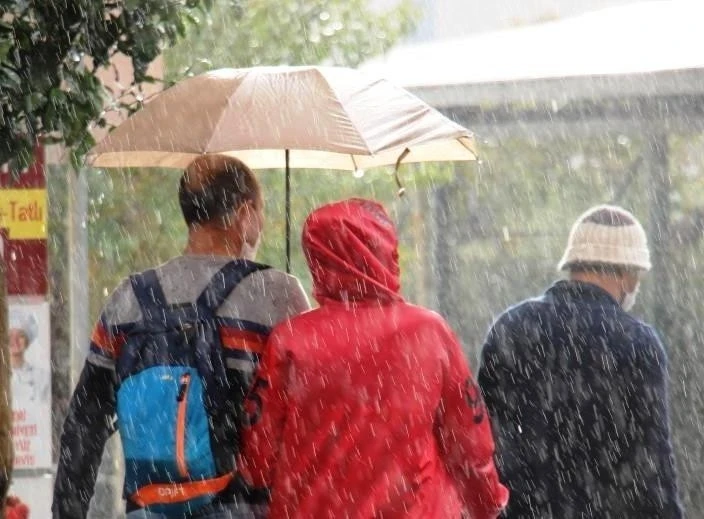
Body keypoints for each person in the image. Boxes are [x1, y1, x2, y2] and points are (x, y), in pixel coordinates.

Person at [53, 155, 310, 519]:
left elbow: (85, 421)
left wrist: (68, 511)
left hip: (149, 508)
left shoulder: (129, 299)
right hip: (243, 508)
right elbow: (310, 413)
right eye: (260, 213)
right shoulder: (277, 293)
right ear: (245, 214)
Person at [240, 198, 508, 519]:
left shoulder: (289, 340)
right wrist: (487, 503)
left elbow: (258, 459)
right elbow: (470, 443)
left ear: (316, 259)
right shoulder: (429, 332)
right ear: (386, 251)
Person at [478, 205, 683, 518]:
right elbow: (653, 466)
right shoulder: (638, 344)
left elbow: (481, 442)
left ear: (572, 264)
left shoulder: (510, 327)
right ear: (627, 275)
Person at [9, 309, 49, 404]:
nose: (14, 340)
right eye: (10, 335)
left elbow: (44, 408)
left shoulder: (42, 377)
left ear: (27, 341)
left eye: (21, 335)